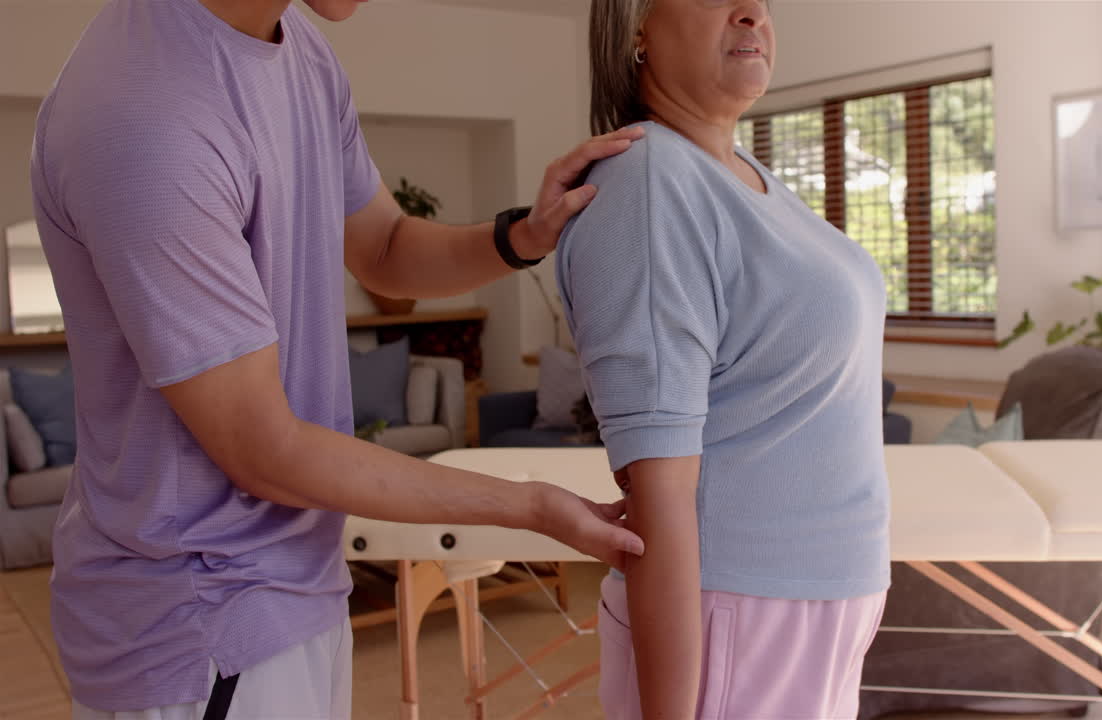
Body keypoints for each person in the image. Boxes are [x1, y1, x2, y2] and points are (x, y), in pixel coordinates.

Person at [28, 0, 646, 717]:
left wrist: (523, 237)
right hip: (201, 624)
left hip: (299, 591)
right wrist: (530, 505)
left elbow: (383, 248)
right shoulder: (144, 114)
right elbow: (264, 449)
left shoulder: (303, 52)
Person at [556, 0, 891, 717]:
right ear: (637, 25)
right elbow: (660, 495)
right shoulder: (649, 183)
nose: (753, 11)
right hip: (741, 605)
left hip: (814, 600)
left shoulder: (739, 172)